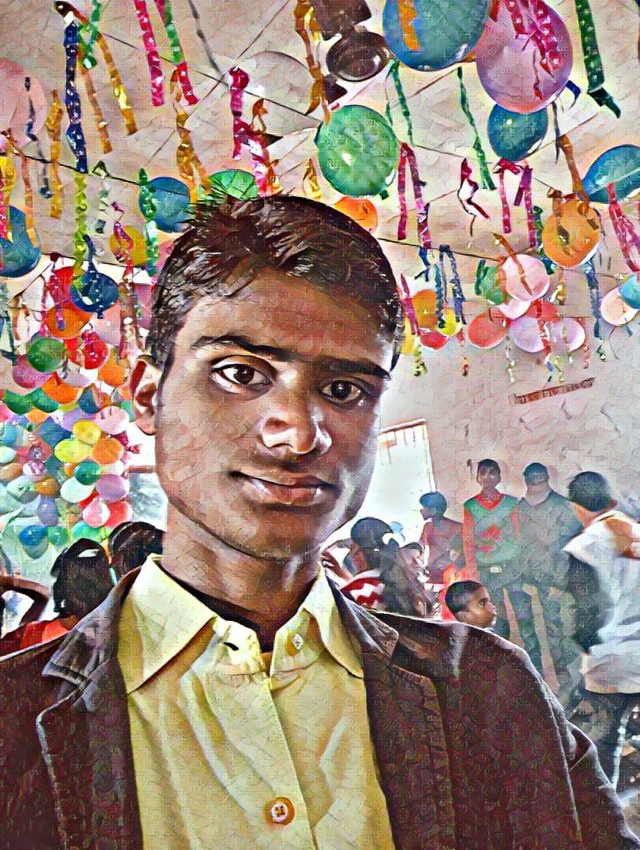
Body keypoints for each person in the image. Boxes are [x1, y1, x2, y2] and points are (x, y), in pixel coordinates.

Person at [0, 197, 636, 848]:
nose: (299, 434)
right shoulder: (14, 729)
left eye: (343, 390)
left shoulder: (486, 689)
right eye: (240, 372)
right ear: (148, 396)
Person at [564, 472, 640, 790]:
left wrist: (585, 646)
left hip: (612, 659)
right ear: (610, 500)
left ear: (576, 506)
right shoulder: (635, 531)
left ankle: (604, 807)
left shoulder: (586, 546)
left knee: (602, 741)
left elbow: (587, 612)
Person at [462, 458, 543, 672]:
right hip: (487, 572)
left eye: (492, 472)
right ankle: (506, 670)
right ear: (478, 477)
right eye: (483, 473)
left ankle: (537, 671)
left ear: (499, 477)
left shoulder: (511, 503)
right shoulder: (471, 506)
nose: (488, 477)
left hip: (513, 569)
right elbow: (468, 541)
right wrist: (473, 573)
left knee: (525, 617)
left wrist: (524, 566)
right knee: (498, 621)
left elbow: (521, 536)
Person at [518, 462, 582, 704]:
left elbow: (572, 549)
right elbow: (519, 546)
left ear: (546, 479)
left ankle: (575, 690)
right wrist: (523, 577)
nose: (536, 485)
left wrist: (561, 582)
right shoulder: (521, 507)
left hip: (560, 585)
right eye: (532, 481)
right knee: (540, 637)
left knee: (565, 636)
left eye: (540, 480)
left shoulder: (564, 507)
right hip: (531, 582)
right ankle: (551, 688)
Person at [0, 540, 113, 654]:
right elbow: (42, 594)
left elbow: (42, 595)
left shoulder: (31, 636)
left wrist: (9, 582)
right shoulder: (112, 627)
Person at [419, 491, 464, 621]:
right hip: (431, 574)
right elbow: (421, 548)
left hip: (451, 576)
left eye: (424, 507)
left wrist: (449, 565)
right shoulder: (427, 527)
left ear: (433, 510)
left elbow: (460, 554)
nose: (421, 511)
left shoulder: (456, 528)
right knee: (431, 613)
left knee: (449, 612)